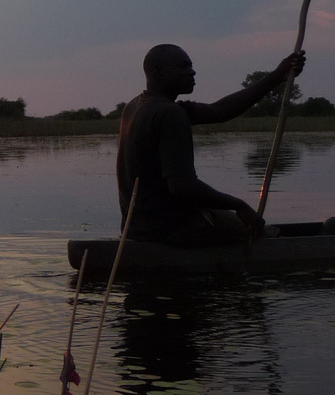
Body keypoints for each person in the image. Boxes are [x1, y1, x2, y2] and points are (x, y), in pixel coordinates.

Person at [117, 45, 305, 245]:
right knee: (256, 231)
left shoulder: (135, 106)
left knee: (229, 219)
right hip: (169, 229)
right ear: (156, 72)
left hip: (135, 227)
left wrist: (277, 76)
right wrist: (238, 205)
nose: (192, 71)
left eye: (190, 66)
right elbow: (182, 186)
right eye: (183, 66)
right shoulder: (169, 114)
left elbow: (220, 111)